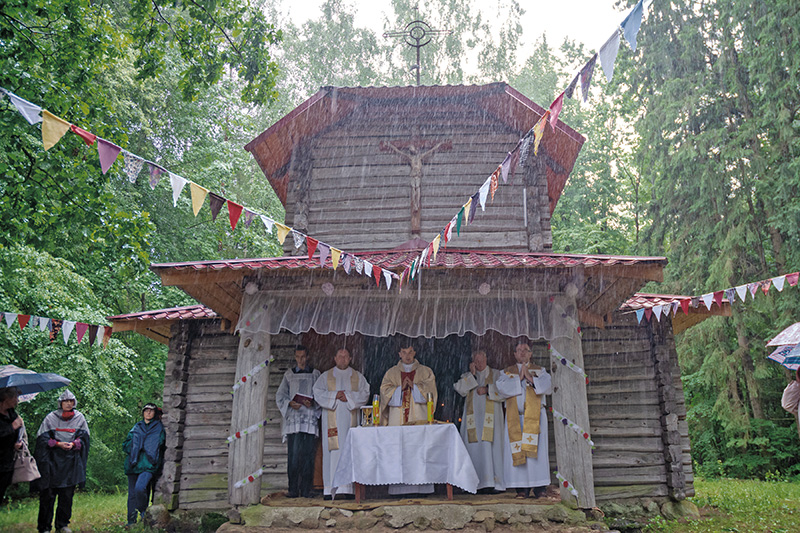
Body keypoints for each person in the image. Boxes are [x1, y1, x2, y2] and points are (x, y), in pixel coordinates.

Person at [496, 343, 553, 499]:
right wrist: (519, 378)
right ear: (514, 354)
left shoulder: (540, 371)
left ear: (530, 354)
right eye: (519, 351)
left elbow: (547, 387)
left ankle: (540, 488)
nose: (522, 353)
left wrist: (529, 378)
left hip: (536, 418)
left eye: (525, 350)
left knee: (537, 453)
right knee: (518, 451)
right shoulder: (506, 372)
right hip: (515, 418)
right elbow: (501, 389)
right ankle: (521, 489)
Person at [380, 344, 437, 495]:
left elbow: (431, 392)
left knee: (419, 450)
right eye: (404, 352)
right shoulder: (391, 373)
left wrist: (415, 387)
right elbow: (384, 393)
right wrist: (399, 389)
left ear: (415, 352)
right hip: (397, 420)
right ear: (399, 353)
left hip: (419, 419)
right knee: (398, 451)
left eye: (410, 352)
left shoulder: (425, 371)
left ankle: (422, 486)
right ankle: (398, 487)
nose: (407, 355)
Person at [312, 348, 370, 499]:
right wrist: (334, 395)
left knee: (349, 453)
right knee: (333, 453)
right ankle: (330, 488)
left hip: (351, 423)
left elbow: (365, 393)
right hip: (332, 424)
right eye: (340, 356)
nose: (343, 359)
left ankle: (348, 489)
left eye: (345, 356)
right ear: (335, 358)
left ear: (350, 358)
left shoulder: (357, 376)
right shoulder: (326, 376)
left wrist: (349, 397)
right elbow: (317, 392)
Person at [34, 389, 90, 533]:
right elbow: (42, 440)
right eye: (66, 401)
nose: (68, 403)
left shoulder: (80, 418)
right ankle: (44, 527)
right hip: (52, 463)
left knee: (66, 496)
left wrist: (74, 444)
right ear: (60, 403)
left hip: (70, 463)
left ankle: (62, 525)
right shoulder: (50, 418)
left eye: (71, 401)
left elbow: (84, 439)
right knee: (48, 497)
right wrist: (57, 444)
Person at [453, 350, 505, 493]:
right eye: (476, 361)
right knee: (474, 448)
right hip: (473, 421)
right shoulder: (468, 376)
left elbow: (505, 392)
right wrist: (472, 375)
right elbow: (459, 389)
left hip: (492, 421)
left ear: (486, 359)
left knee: (491, 447)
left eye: (481, 360)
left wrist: (489, 389)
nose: (479, 363)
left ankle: (493, 482)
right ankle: (473, 483)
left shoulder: (497, 374)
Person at [276, 346, 320, 498]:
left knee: (308, 456)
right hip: (294, 421)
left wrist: (313, 402)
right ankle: (293, 489)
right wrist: (289, 403)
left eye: (303, 357)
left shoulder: (315, 374)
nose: (300, 360)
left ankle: (307, 490)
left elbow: (320, 394)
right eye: (298, 357)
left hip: (308, 420)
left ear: (308, 356)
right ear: (295, 357)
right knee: (294, 456)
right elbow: (280, 395)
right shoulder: (289, 375)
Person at [123, 403, 165, 526]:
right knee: (132, 495)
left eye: (151, 411)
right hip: (133, 464)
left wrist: (147, 445)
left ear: (154, 413)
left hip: (149, 465)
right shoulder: (137, 427)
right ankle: (131, 522)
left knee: (140, 488)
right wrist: (136, 445)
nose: (148, 413)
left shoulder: (158, 428)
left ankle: (143, 512)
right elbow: (125, 445)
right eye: (146, 411)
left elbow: (160, 444)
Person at [0, 387, 25, 504]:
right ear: (6, 398)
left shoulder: (11, 413)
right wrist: (12, 427)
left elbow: (15, 434)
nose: (17, 400)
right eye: (15, 397)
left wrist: (17, 442)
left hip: (7, 462)